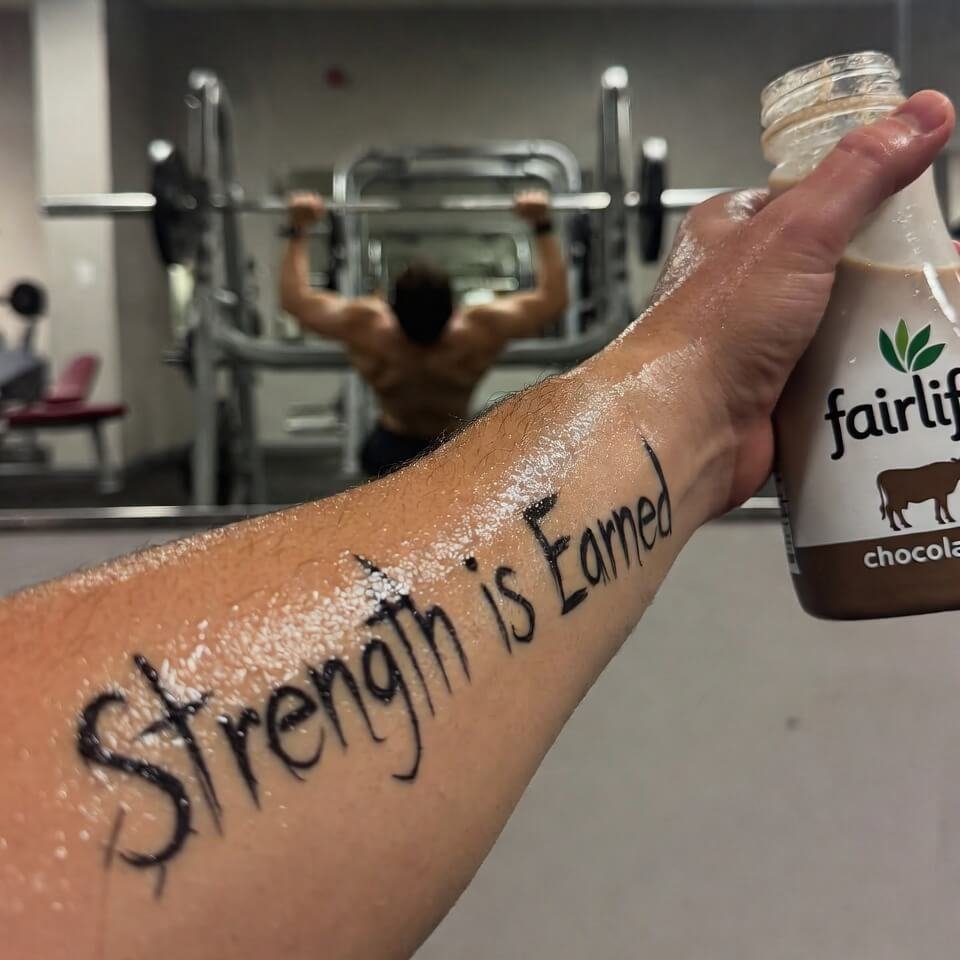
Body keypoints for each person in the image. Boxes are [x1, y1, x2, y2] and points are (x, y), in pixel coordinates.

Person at [0, 90, 952, 960]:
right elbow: (526, 302)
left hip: (429, 451)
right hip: (408, 457)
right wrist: (539, 242)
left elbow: (317, 301)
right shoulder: (461, 331)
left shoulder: (379, 329)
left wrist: (305, 238)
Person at [279, 189, 569, 476]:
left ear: (392, 310)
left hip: (390, 447)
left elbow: (295, 300)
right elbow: (553, 300)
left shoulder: (369, 328)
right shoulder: (477, 330)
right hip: (452, 445)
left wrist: (298, 229)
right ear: (453, 309)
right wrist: (541, 224)